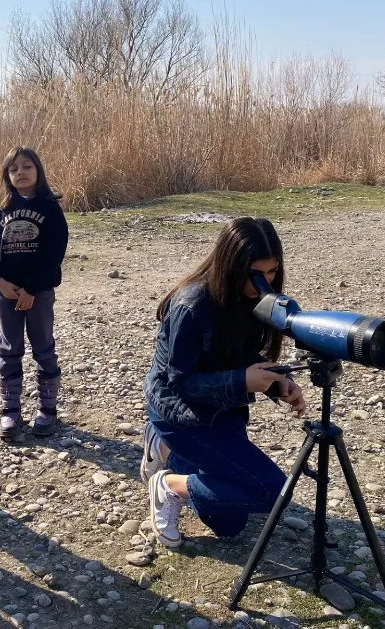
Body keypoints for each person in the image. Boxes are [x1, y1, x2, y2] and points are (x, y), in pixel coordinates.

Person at [140, 217, 307, 548]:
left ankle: (168, 452)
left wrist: (278, 383)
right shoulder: (191, 305)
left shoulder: (252, 300)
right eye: (257, 273)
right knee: (272, 492)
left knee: (229, 524)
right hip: (179, 412)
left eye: (272, 271)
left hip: (218, 411)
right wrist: (242, 381)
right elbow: (181, 383)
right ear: (231, 266)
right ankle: (169, 484)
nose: (266, 282)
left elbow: (241, 352)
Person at [0, 147, 69, 439]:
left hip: (38, 293)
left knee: (43, 346)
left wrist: (32, 288)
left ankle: (48, 409)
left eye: (27, 166)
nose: (21, 172)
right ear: (7, 175)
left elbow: (54, 253)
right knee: (9, 347)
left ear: (38, 171)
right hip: (7, 292)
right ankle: (11, 409)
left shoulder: (50, 209)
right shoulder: (1, 210)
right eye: (14, 168)